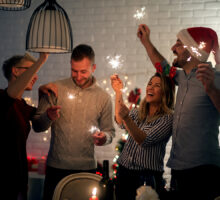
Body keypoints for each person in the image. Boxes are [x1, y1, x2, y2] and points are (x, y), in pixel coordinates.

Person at [138, 24, 220, 199]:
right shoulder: (182, 77)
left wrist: (211, 88)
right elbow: (162, 66)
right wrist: (146, 42)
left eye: (178, 43)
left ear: (192, 50)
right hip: (178, 169)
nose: (173, 48)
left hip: (204, 170)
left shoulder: (216, 78)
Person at [32, 44, 115, 200]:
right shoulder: (54, 89)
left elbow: (110, 131)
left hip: (87, 170)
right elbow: (37, 126)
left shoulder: (103, 97)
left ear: (94, 67)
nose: (78, 76)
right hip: (56, 168)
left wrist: (104, 137)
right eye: (74, 71)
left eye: (83, 71)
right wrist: (47, 117)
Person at [110, 72, 175, 200]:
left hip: (147, 177)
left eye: (157, 85)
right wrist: (118, 92)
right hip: (124, 173)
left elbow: (145, 140)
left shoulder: (168, 118)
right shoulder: (138, 111)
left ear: (165, 92)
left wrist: (127, 119)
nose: (150, 87)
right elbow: (120, 121)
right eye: (150, 84)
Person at [0, 52, 51, 200]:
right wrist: (41, 60)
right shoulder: (1, 97)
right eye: (32, 70)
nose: (35, 76)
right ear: (15, 71)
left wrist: (43, 94)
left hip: (18, 180)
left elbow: (40, 122)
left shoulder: (22, 105)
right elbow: (9, 97)